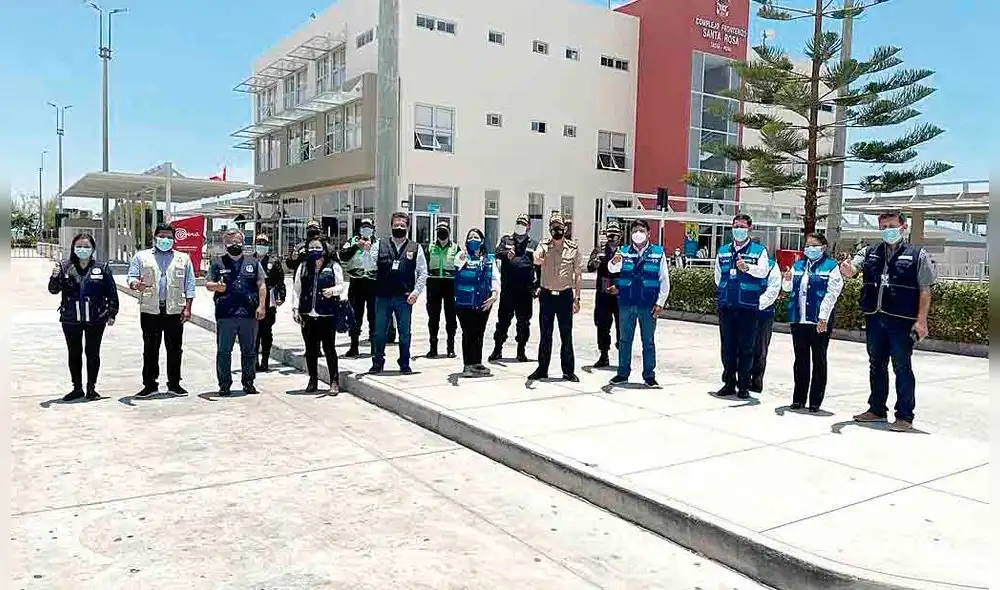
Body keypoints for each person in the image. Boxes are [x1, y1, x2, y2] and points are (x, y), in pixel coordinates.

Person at [839, 211, 935, 432]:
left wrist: (921, 321)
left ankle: (904, 416)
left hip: (901, 320)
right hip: (875, 317)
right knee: (876, 364)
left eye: (892, 225)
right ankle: (876, 409)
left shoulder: (917, 254)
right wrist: (847, 269)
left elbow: (925, 289)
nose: (887, 230)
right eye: (883, 227)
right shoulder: (870, 252)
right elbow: (853, 270)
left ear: (904, 227)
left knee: (901, 367)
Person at [127, 223, 196, 397]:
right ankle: (150, 384)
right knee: (151, 348)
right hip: (150, 309)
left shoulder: (183, 258)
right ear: (155, 238)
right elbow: (131, 277)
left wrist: (188, 308)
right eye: (162, 236)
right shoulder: (141, 257)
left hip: (174, 310)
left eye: (169, 237)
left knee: (174, 348)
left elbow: (190, 285)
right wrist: (136, 284)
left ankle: (174, 384)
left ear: (173, 239)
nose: (165, 240)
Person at [48, 233, 120, 401]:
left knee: (92, 353)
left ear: (93, 249)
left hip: (96, 319)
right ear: (73, 248)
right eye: (79, 246)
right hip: (70, 319)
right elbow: (53, 290)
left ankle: (91, 388)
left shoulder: (102, 268)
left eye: (86, 247)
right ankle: (77, 388)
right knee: (74, 353)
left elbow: (112, 292)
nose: (83, 249)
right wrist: (54, 275)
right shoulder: (65, 267)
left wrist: (111, 313)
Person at [781, 233, 844, 412]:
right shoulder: (798, 265)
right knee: (800, 360)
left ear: (823, 248)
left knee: (819, 360)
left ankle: (815, 401)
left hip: (819, 321)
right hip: (799, 320)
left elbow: (832, 294)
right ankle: (798, 399)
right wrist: (786, 279)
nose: (809, 248)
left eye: (813, 245)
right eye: (807, 245)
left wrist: (823, 318)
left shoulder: (831, 267)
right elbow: (788, 289)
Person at [714, 214, 772, 399]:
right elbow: (718, 276)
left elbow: (764, 271)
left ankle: (744, 386)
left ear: (749, 228)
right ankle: (729, 382)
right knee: (728, 346)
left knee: (747, 348)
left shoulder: (759, 250)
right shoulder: (723, 250)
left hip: (748, 306)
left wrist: (748, 268)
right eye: (735, 226)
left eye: (742, 226)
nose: (738, 229)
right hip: (727, 305)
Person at [607, 220, 670, 387]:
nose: (638, 233)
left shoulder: (658, 252)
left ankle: (649, 375)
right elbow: (612, 269)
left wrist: (660, 302)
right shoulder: (624, 252)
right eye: (635, 230)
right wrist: (614, 261)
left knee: (648, 341)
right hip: (627, 303)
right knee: (624, 340)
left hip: (648, 304)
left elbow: (664, 279)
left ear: (648, 233)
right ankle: (622, 373)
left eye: (641, 230)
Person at [364, 212, 428, 374]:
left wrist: (416, 292)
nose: (399, 228)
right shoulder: (380, 245)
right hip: (383, 296)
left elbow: (423, 272)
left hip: (405, 298)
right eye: (396, 225)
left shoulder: (415, 247)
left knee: (405, 333)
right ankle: (377, 362)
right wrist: (366, 251)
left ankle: (404, 363)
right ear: (391, 226)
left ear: (407, 227)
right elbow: (369, 267)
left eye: (402, 225)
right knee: (379, 332)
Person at [206, 229, 267, 396]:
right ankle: (224, 384)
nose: (236, 245)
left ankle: (248, 382)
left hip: (249, 314)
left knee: (249, 351)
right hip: (226, 314)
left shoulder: (253, 262)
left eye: (239, 242)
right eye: (232, 242)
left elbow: (261, 284)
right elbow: (208, 284)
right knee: (224, 351)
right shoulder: (217, 263)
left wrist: (262, 306)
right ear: (225, 244)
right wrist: (217, 286)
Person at [528, 211, 582, 382]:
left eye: (559, 227)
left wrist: (577, 298)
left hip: (565, 296)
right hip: (547, 296)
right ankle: (542, 369)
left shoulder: (573, 248)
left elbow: (578, 274)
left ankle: (568, 371)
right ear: (549, 229)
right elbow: (536, 258)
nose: (557, 230)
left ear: (565, 228)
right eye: (553, 227)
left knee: (566, 335)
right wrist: (538, 255)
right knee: (546, 334)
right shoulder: (544, 245)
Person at [293, 236, 346, 394]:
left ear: (324, 250)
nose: (314, 251)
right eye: (311, 248)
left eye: (318, 248)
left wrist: (333, 291)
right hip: (308, 314)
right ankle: (313, 380)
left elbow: (341, 285)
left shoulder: (333, 266)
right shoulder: (303, 267)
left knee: (329, 349)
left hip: (326, 314)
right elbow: (297, 289)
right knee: (310, 350)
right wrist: (295, 309)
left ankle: (334, 381)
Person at [488, 213, 541, 362]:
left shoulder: (533, 244)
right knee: (503, 321)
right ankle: (497, 349)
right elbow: (497, 253)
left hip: (525, 290)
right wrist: (506, 254)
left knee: (523, 322)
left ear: (529, 227)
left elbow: (539, 267)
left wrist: (538, 285)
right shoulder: (506, 240)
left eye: (524, 223)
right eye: (519, 223)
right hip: (508, 289)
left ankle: (521, 351)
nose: (521, 226)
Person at [340, 217, 395, 357]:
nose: (366, 229)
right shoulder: (352, 241)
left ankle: (374, 347)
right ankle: (354, 346)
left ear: (373, 229)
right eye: (363, 226)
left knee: (374, 316)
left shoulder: (379, 243)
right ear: (359, 228)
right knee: (354, 316)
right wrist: (356, 246)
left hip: (373, 283)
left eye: (368, 226)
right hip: (356, 283)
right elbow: (343, 256)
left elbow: (386, 261)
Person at [453, 228, 501, 377]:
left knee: (479, 332)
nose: (473, 239)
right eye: (470, 237)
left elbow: (495, 278)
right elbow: (456, 266)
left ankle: (477, 362)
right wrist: (464, 257)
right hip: (464, 302)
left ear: (482, 240)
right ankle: (467, 364)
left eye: (476, 237)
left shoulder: (488, 259)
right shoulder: (462, 256)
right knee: (468, 332)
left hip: (484, 301)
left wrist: (494, 295)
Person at [586, 221, 622, 367]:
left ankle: (623, 354)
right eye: (610, 233)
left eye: (615, 233)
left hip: (620, 293)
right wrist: (596, 261)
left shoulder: (625, 250)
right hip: (603, 294)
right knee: (602, 325)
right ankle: (604, 355)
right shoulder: (600, 249)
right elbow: (589, 267)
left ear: (620, 234)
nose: (612, 237)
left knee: (622, 326)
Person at [425, 220, 459, 358]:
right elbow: (424, 265)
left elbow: (461, 266)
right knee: (433, 317)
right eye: (439, 230)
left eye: (444, 230)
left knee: (450, 317)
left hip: (450, 285)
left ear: (449, 232)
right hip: (434, 284)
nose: (442, 232)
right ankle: (433, 347)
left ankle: (450, 348)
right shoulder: (430, 247)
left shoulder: (456, 248)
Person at [749, 252, 783, 393]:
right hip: (742, 312)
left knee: (760, 348)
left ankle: (756, 382)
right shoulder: (744, 264)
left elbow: (773, 289)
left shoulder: (771, 266)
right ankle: (740, 380)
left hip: (763, 313)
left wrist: (757, 305)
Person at [254, 233, 286, 372]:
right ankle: (253, 360)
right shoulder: (250, 260)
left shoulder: (274, 261)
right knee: (254, 333)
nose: (261, 245)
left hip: (269, 300)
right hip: (253, 300)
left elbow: (280, 281)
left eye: (264, 243)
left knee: (266, 332)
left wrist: (281, 297)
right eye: (259, 242)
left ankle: (265, 360)